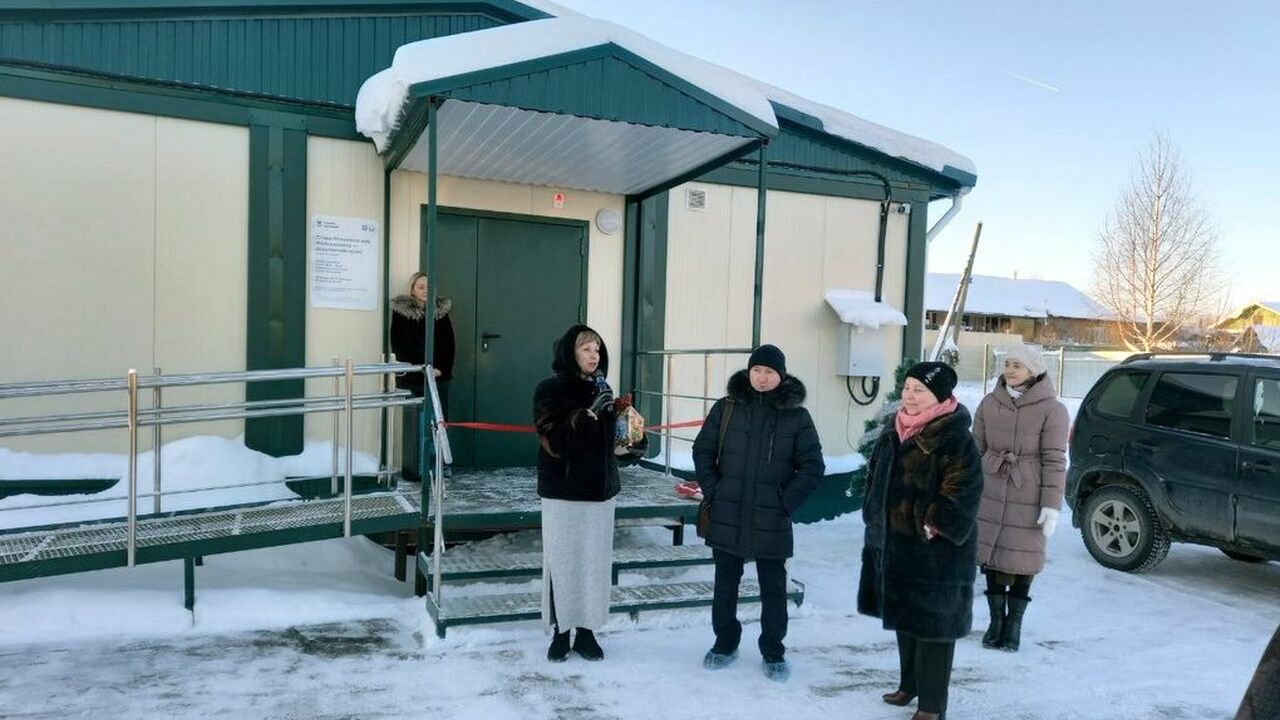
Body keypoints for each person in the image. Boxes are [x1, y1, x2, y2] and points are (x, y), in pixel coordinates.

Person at [858, 361, 983, 720]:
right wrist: (873, 513)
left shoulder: (955, 437)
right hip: (896, 545)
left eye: (920, 390)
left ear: (939, 397)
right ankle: (908, 685)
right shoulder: (894, 428)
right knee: (904, 620)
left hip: (935, 553)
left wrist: (934, 525)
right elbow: (874, 478)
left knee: (933, 630)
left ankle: (932, 705)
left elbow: (964, 490)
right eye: (908, 387)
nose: (910, 396)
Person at [692, 344, 824, 682]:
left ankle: (773, 651)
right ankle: (724, 643)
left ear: (781, 376)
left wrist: (785, 502)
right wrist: (715, 490)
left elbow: (812, 466)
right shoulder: (727, 408)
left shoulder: (797, 415)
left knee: (773, 589)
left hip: (771, 516)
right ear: (748, 372)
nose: (761, 378)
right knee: (725, 585)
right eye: (756, 371)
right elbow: (702, 450)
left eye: (769, 372)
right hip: (728, 510)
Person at [971, 345, 1069, 652]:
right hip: (990, 487)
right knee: (992, 556)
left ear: (1035, 371)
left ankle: (1013, 626)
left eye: (1019, 366)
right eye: (1008, 364)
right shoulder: (989, 403)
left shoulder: (1053, 410)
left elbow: (1055, 460)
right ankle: (995, 622)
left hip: (1028, 490)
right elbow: (974, 449)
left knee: (1022, 559)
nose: (1011, 370)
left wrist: (1051, 505)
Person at [532, 324, 620, 663]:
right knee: (563, 561)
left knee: (593, 563)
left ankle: (586, 631)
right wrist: (588, 416)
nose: (593, 355)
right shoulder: (549, 390)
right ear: (570, 353)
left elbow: (608, 444)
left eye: (597, 348)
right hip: (564, 491)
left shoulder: (604, 388)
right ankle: (561, 631)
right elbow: (554, 442)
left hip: (599, 492)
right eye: (585, 348)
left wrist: (630, 441)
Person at [389, 272, 455, 482]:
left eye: (428, 286)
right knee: (417, 423)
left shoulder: (440, 312)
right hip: (413, 376)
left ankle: (439, 465)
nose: (425, 290)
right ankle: (418, 466)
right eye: (420, 287)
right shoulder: (402, 313)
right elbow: (399, 344)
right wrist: (418, 368)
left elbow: (449, 344)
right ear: (412, 290)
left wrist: (441, 369)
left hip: (436, 377)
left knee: (439, 421)